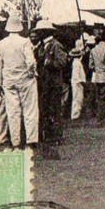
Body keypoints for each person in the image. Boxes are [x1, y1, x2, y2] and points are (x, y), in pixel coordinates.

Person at [0, 15, 39, 147]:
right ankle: (31, 140)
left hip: (9, 81)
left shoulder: (1, 44)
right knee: (30, 109)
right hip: (25, 80)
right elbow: (31, 62)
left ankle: (16, 141)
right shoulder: (25, 42)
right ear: (20, 27)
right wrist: (31, 73)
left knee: (12, 111)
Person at [31, 20, 68, 157]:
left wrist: (50, 63)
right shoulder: (42, 46)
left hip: (53, 83)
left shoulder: (56, 45)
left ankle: (56, 136)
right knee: (45, 109)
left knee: (54, 109)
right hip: (44, 83)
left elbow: (62, 62)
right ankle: (49, 134)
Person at [69, 37, 87, 120]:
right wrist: (80, 81)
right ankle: (75, 115)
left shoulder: (76, 62)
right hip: (77, 82)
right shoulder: (76, 63)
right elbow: (76, 75)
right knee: (77, 98)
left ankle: (77, 114)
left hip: (77, 82)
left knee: (78, 98)